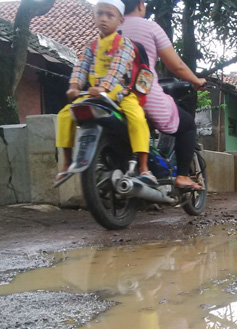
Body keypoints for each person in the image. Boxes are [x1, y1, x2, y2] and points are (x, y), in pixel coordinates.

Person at [55, 0, 155, 186]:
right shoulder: (91, 46)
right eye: (100, 14)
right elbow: (81, 67)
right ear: (93, 16)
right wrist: (74, 86)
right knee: (64, 115)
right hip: (95, 94)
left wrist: (105, 87)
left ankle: (143, 168)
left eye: (110, 15)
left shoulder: (125, 44)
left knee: (137, 117)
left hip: (122, 93)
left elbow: (118, 67)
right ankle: (67, 162)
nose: (104, 19)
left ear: (120, 20)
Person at [120, 0, 206, 190]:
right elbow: (176, 66)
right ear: (141, 5)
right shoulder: (150, 27)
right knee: (188, 125)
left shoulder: (110, 29)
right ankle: (182, 175)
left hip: (111, 93)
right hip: (143, 93)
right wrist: (196, 81)